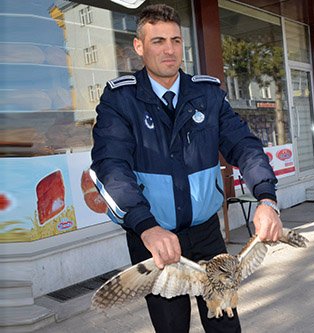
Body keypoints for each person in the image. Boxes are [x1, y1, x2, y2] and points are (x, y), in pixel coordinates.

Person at [90, 4, 282, 332]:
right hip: (154, 237)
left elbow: (244, 146)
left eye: (176, 41)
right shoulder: (120, 100)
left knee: (225, 323)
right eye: (158, 41)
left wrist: (266, 198)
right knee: (171, 327)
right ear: (139, 47)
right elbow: (111, 167)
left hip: (207, 234)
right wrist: (146, 226)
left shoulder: (207, 94)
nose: (169, 50)